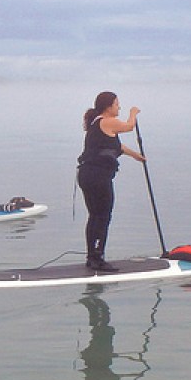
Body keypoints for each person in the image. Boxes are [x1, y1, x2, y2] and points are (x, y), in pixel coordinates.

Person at [77, 91, 144, 272]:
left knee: (95, 216)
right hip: (98, 177)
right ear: (108, 107)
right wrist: (134, 113)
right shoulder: (108, 121)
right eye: (117, 104)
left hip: (86, 175)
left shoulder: (97, 123)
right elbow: (130, 126)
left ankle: (92, 257)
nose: (119, 107)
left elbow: (117, 146)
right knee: (103, 216)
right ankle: (97, 259)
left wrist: (137, 156)